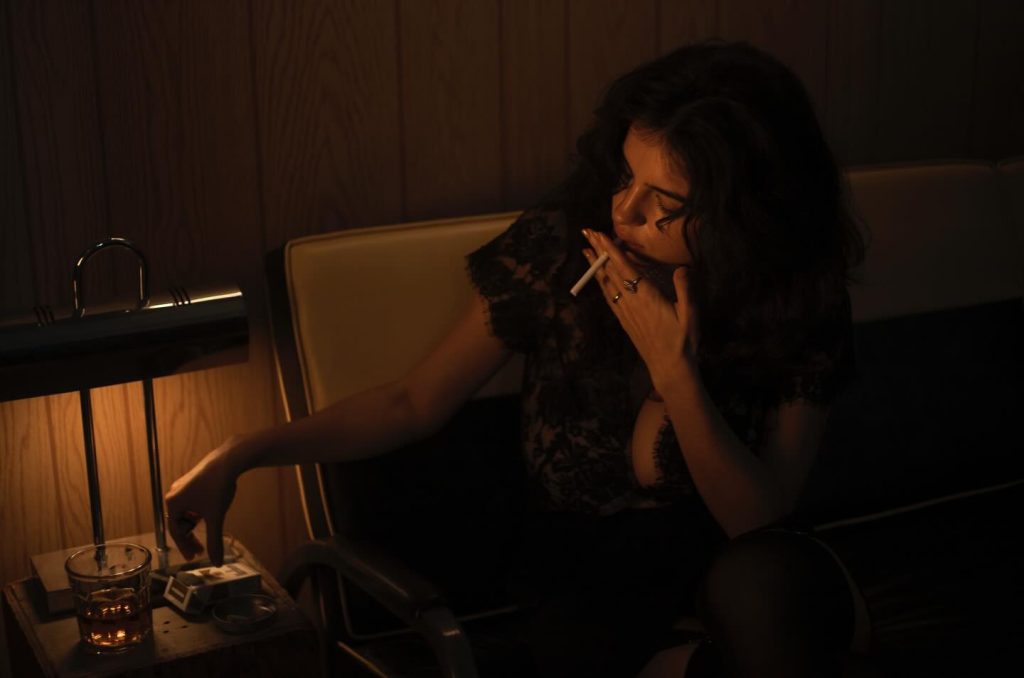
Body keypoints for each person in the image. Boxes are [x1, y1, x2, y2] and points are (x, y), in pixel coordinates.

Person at [165, 40, 868, 677]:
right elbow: (411, 403)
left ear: (742, 213)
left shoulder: (791, 292)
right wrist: (240, 451)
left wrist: (675, 372)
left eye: (666, 202)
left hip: (741, 586)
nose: (624, 212)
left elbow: (761, 522)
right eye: (626, 176)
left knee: (769, 595)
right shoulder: (564, 253)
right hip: (584, 598)